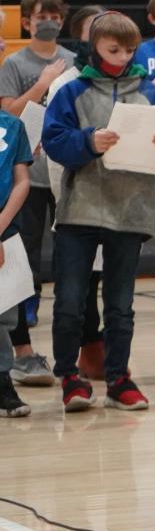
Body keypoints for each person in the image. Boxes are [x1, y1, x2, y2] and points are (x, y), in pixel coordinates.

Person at [43, 11, 155, 413]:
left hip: (131, 210)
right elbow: (53, 141)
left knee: (120, 305)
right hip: (80, 210)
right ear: (94, 47)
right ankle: (70, 376)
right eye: (112, 49)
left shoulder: (152, 92)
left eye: (129, 49)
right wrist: (88, 141)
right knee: (70, 299)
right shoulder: (72, 90)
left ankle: (119, 378)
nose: (121, 57)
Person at [0, 0, 73, 388]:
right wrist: (43, 83)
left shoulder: (74, 62)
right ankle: (21, 347)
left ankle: (72, 349)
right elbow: (7, 111)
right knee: (21, 255)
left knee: (67, 255)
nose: (49, 21)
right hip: (24, 174)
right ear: (26, 21)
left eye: (55, 15)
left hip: (65, 174)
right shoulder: (15, 62)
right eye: (41, 15)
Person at [0, 102, 34, 417]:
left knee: (3, 316)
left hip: (4, 231)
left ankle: (2, 382)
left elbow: (21, 180)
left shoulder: (12, 125)